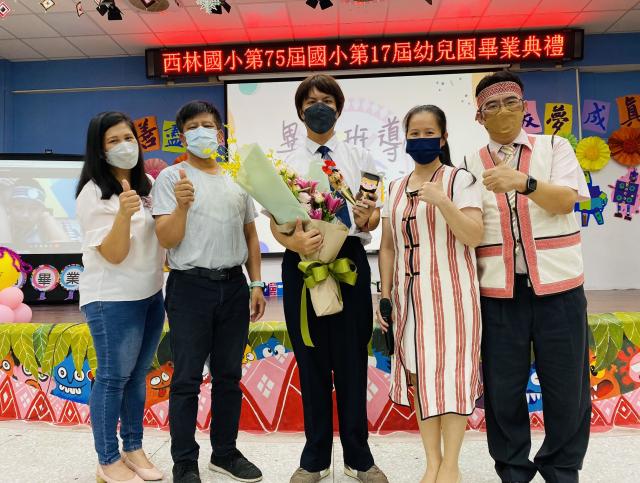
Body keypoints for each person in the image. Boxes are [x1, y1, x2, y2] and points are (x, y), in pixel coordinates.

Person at [465, 71, 591, 483]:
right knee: (502, 391)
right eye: (492, 105)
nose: (503, 111)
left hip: (559, 288)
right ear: (480, 116)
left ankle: (561, 468)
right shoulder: (468, 163)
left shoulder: (554, 147)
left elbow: (567, 201)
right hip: (498, 292)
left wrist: (525, 182)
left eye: (511, 103)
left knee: (567, 389)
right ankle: (513, 470)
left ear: (524, 108)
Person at [270, 74, 388, 483]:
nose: (318, 106)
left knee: (353, 360)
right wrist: (294, 241)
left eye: (326, 100)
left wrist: (368, 217)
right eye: (310, 101)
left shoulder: (361, 157)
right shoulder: (284, 163)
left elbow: (371, 218)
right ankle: (314, 458)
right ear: (300, 111)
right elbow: (276, 225)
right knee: (311, 361)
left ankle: (359, 457)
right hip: (302, 263)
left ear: (339, 108)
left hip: (349, 261)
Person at [152, 100, 266, 483]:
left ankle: (225, 453)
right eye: (192, 127)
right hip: (189, 287)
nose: (201, 132)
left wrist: (255, 283)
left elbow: (251, 234)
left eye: (207, 125)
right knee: (186, 378)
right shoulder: (172, 177)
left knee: (228, 376)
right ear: (182, 136)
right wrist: (182, 207)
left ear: (219, 133)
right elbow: (166, 238)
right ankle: (184, 460)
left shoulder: (236, 178)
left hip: (234, 286)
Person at [378, 105, 483, 483]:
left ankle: (451, 464)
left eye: (428, 133)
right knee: (419, 377)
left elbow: (474, 235)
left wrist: (442, 201)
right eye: (414, 133)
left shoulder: (460, 180)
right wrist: (385, 294)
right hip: (409, 303)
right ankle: (432, 462)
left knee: (451, 378)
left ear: (443, 138)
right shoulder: (394, 187)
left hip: (453, 299)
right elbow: (387, 246)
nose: (421, 139)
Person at [76, 111, 166, 483]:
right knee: (113, 377)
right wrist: (123, 216)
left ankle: (133, 446)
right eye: (113, 140)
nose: (124, 146)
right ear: (100, 149)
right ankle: (107, 457)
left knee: (137, 376)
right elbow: (114, 254)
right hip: (112, 299)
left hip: (150, 294)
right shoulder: (93, 193)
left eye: (128, 138)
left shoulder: (147, 185)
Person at [0, 177, 70, 247]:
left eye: (33, 209)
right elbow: (4, 250)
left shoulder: (44, 225)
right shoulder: (4, 220)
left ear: (42, 210)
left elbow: (66, 247)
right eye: (18, 207)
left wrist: (46, 216)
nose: (25, 215)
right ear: (8, 207)